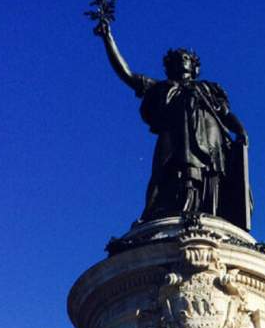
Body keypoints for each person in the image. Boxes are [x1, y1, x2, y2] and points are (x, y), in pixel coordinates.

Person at [94, 21, 251, 229]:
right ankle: (175, 209)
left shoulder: (209, 89)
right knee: (172, 174)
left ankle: (208, 213)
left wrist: (240, 130)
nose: (182, 61)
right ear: (169, 67)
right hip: (176, 142)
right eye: (177, 59)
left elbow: (226, 114)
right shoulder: (160, 88)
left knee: (210, 180)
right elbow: (127, 74)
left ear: (194, 66)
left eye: (186, 58)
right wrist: (108, 39)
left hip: (212, 144)